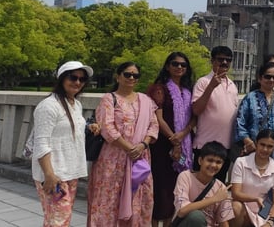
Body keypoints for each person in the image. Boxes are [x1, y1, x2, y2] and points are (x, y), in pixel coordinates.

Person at [88, 62, 159, 226]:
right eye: (127, 74)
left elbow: (154, 125)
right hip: (113, 159)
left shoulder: (145, 100)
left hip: (139, 158)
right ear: (118, 77)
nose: (131, 78)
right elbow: (107, 128)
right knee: (109, 199)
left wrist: (143, 145)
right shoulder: (109, 99)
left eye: (135, 75)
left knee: (139, 197)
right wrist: (129, 148)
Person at [32, 61, 94, 226]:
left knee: (58, 219)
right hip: (55, 173)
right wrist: (49, 175)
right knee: (58, 220)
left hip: (70, 171)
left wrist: (89, 127)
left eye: (82, 79)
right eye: (73, 77)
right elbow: (41, 142)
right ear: (61, 79)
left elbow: (67, 130)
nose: (78, 82)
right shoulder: (48, 106)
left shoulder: (75, 104)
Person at [148, 52, 197, 227]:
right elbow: (158, 118)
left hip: (184, 145)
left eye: (183, 65)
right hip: (162, 146)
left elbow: (195, 116)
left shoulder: (188, 90)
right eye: (175, 64)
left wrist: (183, 133)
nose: (179, 67)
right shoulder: (159, 89)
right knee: (160, 189)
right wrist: (174, 139)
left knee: (175, 190)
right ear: (168, 66)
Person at [192, 46, 240, 182]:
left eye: (228, 60)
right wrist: (211, 87)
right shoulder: (203, 82)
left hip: (225, 147)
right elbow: (196, 110)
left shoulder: (233, 85)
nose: (224, 63)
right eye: (220, 59)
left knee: (218, 187)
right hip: (205, 145)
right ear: (212, 61)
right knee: (200, 186)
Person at [235, 63, 274, 163]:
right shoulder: (250, 98)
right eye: (267, 76)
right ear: (260, 78)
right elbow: (239, 123)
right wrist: (247, 141)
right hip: (254, 150)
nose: (271, 80)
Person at [231, 129, 274, 227]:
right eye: (262, 145)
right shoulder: (241, 162)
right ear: (256, 143)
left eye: (270, 146)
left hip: (264, 210)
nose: (265, 149)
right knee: (235, 207)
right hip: (243, 208)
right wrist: (255, 199)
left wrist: (270, 222)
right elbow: (235, 194)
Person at [172, 141, 234, 227]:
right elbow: (182, 211)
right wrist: (214, 199)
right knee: (196, 216)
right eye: (210, 160)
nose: (213, 165)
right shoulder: (185, 177)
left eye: (218, 162)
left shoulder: (221, 188)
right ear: (200, 160)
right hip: (186, 224)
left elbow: (223, 221)